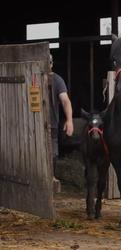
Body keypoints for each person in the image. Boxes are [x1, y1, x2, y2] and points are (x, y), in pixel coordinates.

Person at [49, 54, 74, 192]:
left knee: (52, 153)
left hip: (50, 124)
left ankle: (50, 178)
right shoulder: (32, 77)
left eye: (49, 62)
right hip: (30, 125)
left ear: (51, 64)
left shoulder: (57, 80)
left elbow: (65, 100)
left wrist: (69, 120)